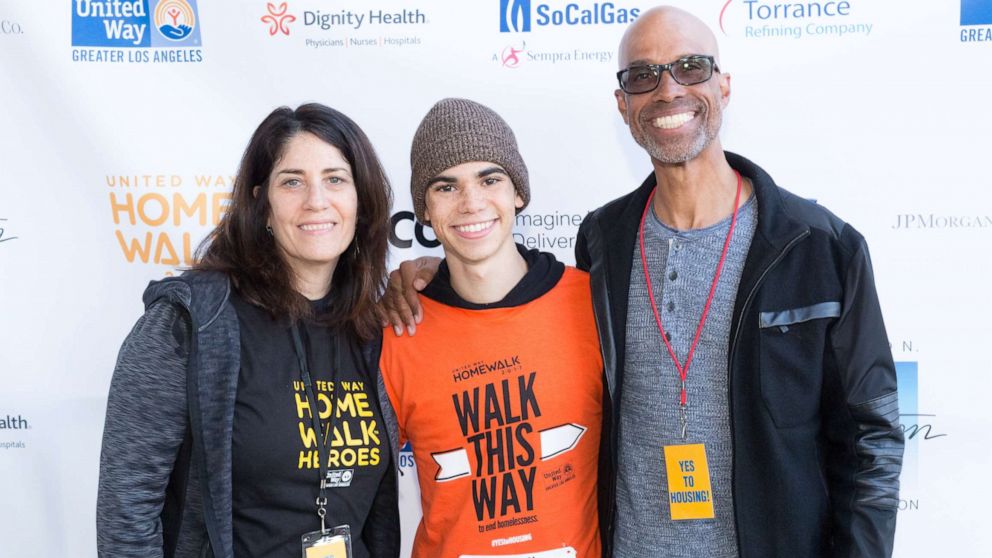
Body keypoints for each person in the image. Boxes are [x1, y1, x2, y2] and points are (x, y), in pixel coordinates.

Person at [383, 6, 903, 557]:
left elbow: (873, 441)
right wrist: (436, 278)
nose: (668, 89)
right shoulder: (604, 242)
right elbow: (507, 292)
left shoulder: (818, 247)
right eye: (643, 76)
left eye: (691, 67)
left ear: (724, 86)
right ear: (623, 105)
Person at [97, 103, 400, 558]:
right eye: (292, 181)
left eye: (336, 179)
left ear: (362, 204)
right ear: (262, 204)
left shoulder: (374, 329)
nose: (316, 199)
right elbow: (126, 514)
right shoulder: (189, 324)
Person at [378, 98, 603, 558]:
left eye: (490, 179)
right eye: (446, 187)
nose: (472, 203)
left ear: (518, 192)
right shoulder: (396, 328)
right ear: (423, 209)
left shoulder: (594, 304)